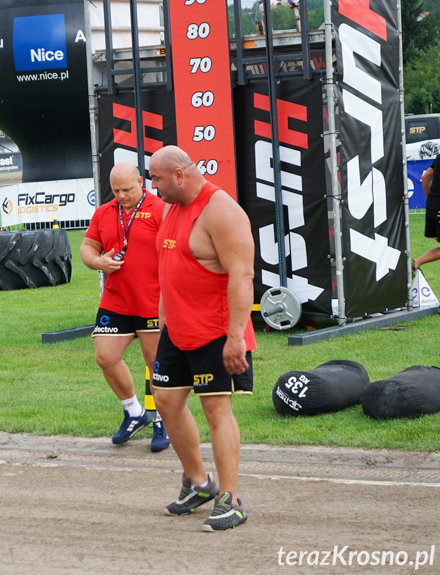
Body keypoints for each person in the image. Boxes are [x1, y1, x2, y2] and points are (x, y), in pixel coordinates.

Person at [148, 146, 256, 531]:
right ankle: (199, 482)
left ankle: (230, 499)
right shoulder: (173, 209)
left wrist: (235, 338)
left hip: (215, 332)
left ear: (179, 174)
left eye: (156, 178)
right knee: (166, 402)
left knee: (216, 411)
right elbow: (169, 266)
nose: (152, 185)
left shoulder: (222, 211)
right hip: (176, 329)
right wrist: (163, 315)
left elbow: (242, 277)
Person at [80, 162, 170, 452]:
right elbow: (87, 248)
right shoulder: (104, 213)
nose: (121, 196)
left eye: (127, 189)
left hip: (152, 301)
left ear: (141, 182)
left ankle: (164, 419)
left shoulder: (159, 209)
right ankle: (134, 412)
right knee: (105, 357)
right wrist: (98, 262)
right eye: (116, 190)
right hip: (116, 298)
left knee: (156, 363)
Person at [414, 150, 440, 312]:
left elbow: (425, 177)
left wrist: (431, 199)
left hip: (435, 206)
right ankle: (415, 263)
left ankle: (415, 263)